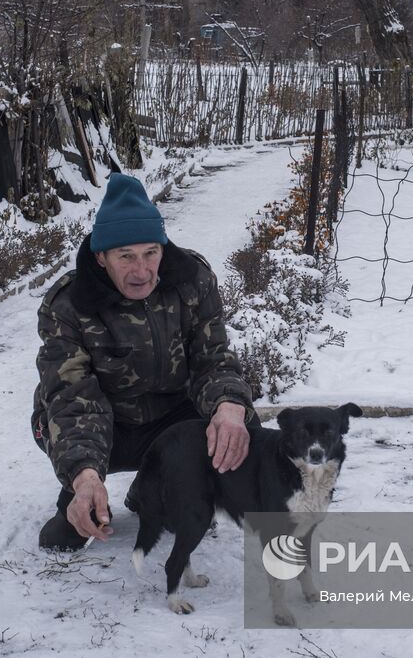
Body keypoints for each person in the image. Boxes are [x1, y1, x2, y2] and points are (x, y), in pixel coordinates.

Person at [31, 172, 256, 550]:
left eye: (151, 252)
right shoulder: (67, 306)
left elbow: (213, 359)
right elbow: (71, 398)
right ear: (101, 257)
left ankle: (156, 488)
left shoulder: (192, 281)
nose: (142, 271)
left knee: (231, 423)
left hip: (169, 421)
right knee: (63, 537)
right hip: (103, 424)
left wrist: (230, 406)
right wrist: (84, 476)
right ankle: (81, 495)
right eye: (126, 257)